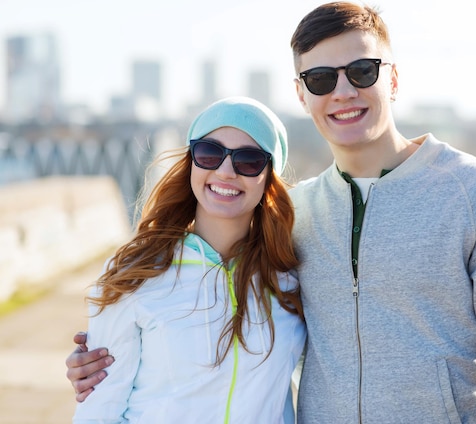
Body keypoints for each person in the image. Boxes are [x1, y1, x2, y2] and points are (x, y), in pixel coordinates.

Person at [67, 2, 476, 423]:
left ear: (394, 78)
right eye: (321, 79)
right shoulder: (293, 219)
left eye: (362, 71)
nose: (342, 92)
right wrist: (101, 359)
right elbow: (204, 306)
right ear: (302, 94)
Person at [71, 96, 306, 423]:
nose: (225, 172)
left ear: (268, 178)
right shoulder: (135, 272)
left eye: (248, 160)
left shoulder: (290, 278)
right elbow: (99, 411)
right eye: (209, 153)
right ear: (191, 161)